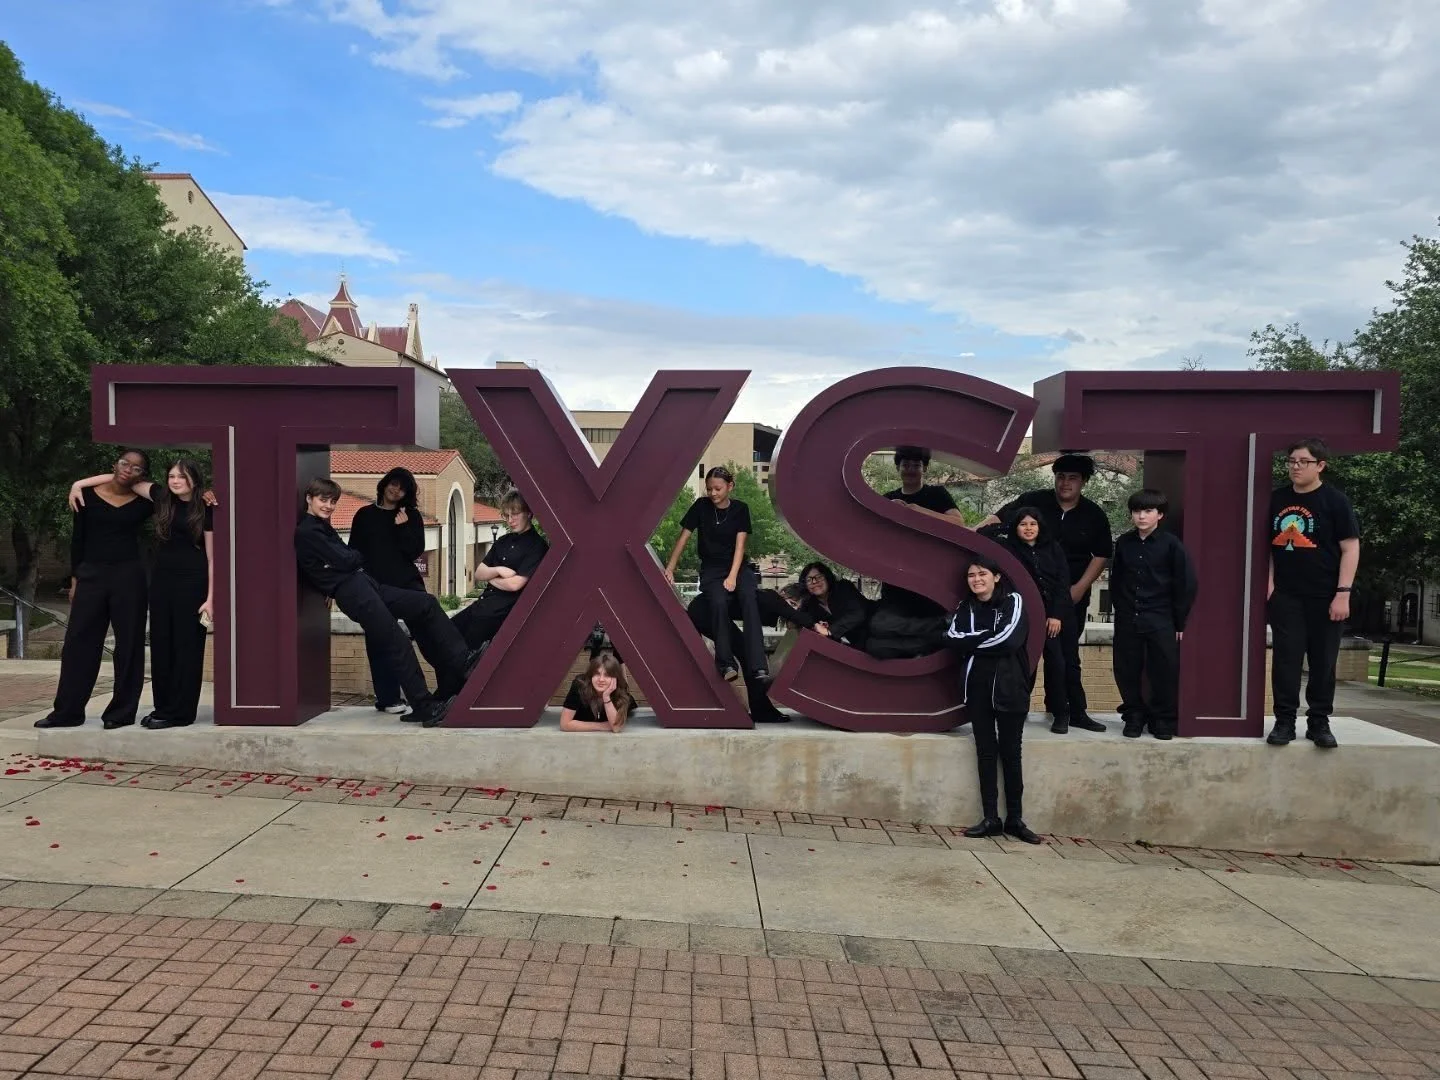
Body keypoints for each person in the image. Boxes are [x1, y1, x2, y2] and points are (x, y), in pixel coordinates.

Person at [295, 477, 476, 728]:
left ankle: (463, 660)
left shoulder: (321, 525)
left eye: (332, 501)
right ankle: (424, 706)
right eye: (322, 500)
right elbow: (348, 558)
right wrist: (347, 560)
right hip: (353, 593)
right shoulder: (308, 530)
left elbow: (346, 557)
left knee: (426, 603)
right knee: (397, 641)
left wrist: (346, 559)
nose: (328, 505)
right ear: (309, 498)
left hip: (367, 585)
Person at [65, 458, 218, 730]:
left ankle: (180, 713)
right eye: (171, 476)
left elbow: (212, 558)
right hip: (161, 582)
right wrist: (78, 484)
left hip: (192, 584)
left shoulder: (206, 507)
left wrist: (211, 598)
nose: (175, 481)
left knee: (186, 648)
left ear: (194, 479)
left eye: (181, 476)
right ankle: (163, 708)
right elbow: (124, 480)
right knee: (161, 645)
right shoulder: (161, 497)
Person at [983, 454, 1113, 732]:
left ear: (1084, 482)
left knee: (1066, 658)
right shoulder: (1034, 501)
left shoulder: (1094, 514)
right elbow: (998, 518)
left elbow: (1101, 554)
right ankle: (1015, 710)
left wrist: (1078, 589)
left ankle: (1070, 712)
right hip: (1027, 599)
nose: (1065, 483)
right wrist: (973, 532)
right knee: (1022, 655)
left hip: (1068, 596)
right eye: (1061, 476)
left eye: (1073, 478)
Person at [38, 450, 155, 730]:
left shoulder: (144, 503)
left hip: (129, 577)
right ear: (114, 464)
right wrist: (75, 579)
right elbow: (78, 540)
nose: (128, 469)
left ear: (143, 476)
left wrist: (81, 481)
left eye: (137, 468)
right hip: (90, 575)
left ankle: (121, 712)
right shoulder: (86, 497)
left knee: (128, 646)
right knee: (79, 643)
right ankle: (67, 712)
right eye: (124, 463)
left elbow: (166, 494)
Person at [1266, 438, 1360, 750]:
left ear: (1320, 465)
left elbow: (1350, 548)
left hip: (1326, 596)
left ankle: (1319, 721)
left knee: (1323, 662)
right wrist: (1269, 586)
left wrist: (1343, 593)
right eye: (1291, 460)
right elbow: (1266, 547)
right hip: (1287, 596)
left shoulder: (1335, 501)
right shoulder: (1276, 499)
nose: (1295, 466)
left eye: (1303, 461)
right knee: (1286, 661)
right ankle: (1285, 721)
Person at [944, 557, 1041, 844]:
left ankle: (1015, 819)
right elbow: (951, 637)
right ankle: (991, 819)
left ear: (996, 577)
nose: (976, 579)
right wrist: (986, 638)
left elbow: (1010, 640)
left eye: (982, 573)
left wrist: (972, 641)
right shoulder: (965, 607)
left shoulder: (1013, 601)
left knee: (1011, 754)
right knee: (986, 753)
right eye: (971, 575)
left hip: (1010, 689)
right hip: (977, 689)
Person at [665, 467, 768, 684]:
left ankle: (759, 664)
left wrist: (732, 577)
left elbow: (740, 547)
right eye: (709, 488)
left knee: (749, 598)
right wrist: (670, 568)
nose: (713, 493)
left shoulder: (741, 509)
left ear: (730, 486)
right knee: (718, 602)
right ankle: (726, 663)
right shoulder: (701, 507)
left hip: (739, 567)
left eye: (718, 489)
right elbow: (683, 538)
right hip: (711, 569)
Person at [1109, 489, 1197, 741]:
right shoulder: (1124, 542)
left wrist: (1180, 619)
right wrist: (1121, 609)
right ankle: (1134, 715)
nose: (1141, 516)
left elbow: (1185, 583)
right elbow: (1117, 580)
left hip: (1161, 618)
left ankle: (1163, 719)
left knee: (1164, 670)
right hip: (1128, 617)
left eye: (1147, 511)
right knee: (1126, 668)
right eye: (1137, 511)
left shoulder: (1172, 544)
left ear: (1160, 515)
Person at [867, 446, 966, 659]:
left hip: (929, 581)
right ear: (898, 468)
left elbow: (958, 523)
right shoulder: (888, 498)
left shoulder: (936, 494)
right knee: (877, 631)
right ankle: (940, 631)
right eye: (906, 465)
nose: (911, 469)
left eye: (916, 465)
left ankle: (930, 638)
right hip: (897, 581)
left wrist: (915, 511)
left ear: (925, 469)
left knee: (893, 633)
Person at [980, 506, 1072, 731]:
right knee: (1023, 666)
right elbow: (983, 534)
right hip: (1024, 615)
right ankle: (1019, 711)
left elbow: (1063, 583)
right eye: (1023, 524)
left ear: (1040, 527)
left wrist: (1056, 615)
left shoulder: (1053, 548)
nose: (1028, 528)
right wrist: (1006, 525)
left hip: (1051, 617)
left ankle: (1061, 715)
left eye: (1033, 524)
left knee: (1057, 665)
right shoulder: (1008, 548)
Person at [348, 467, 426, 714]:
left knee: (428, 635)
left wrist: (403, 527)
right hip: (375, 587)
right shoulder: (364, 515)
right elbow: (354, 551)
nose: (396, 490)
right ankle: (388, 698)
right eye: (394, 484)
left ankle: (440, 691)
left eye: (402, 488)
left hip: (407, 585)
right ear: (384, 484)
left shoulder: (410, 516)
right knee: (378, 641)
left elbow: (415, 551)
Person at [452, 490, 549, 653]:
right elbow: (478, 573)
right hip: (481, 605)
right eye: (507, 515)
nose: (510, 520)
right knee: (444, 633)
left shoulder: (537, 546)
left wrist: (490, 577)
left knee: (463, 655)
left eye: (515, 514)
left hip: (499, 614)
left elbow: (514, 584)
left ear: (529, 513)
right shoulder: (502, 541)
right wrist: (499, 570)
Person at [797, 561, 871, 648]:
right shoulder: (809, 603)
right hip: (854, 645)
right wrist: (817, 625)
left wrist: (830, 630)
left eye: (819, 577)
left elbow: (859, 613)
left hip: (875, 632)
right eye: (809, 580)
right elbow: (801, 619)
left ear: (827, 577)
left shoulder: (843, 588)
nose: (814, 582)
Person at [559, 651, 633, 732]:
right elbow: (564, 724)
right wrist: (602, 726)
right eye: (597, 674)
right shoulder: (579, 686)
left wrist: (606, 697)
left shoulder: (620, 691)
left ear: (615, 678)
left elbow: (616, 728)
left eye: (607, 675)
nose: (601, 679)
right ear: (591, 675)